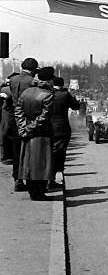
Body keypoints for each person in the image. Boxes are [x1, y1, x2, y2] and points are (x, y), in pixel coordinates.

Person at [14, 66, 55, 201]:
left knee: (28, 163)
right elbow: (44, 117)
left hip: (26, 133)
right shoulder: (48, 95)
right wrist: (30, 128)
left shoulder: (26, 92)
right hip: (41, 134)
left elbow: (18, 111)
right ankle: (39, 192)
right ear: (49, 80)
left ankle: (32, 190)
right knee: (42, 164)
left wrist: (22, 128)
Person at [9, 57, 39, 192]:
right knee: (29, 150)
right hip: (28, 117)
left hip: (15, 117)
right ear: (33, 69)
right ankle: (29, 179)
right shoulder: (32, 82)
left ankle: (17, 179)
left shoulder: (13, 80)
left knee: (16, 149)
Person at [49, 76, 80, 189]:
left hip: (49, 126)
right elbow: (76, 106)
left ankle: (49, 178)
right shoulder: (65, 95)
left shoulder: (48, 93)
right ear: (63, 84)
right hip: (62, 127)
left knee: (50, 152)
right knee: (60, 152)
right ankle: (57, 174)